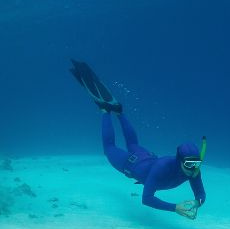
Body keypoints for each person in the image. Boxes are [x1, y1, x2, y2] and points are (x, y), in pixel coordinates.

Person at [70, 60, 206, 219]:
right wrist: (175, 208)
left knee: (133, 144)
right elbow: (146, 199)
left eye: (197, 163)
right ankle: (105, 110)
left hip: (147, 157)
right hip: (131, 164)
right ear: (180, 160)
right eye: (190, 164)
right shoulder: (162, 168)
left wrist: (198, 202)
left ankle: (119, 112)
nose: (193, 168)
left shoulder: (193, 172)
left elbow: (200, 192)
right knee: (109, 148)